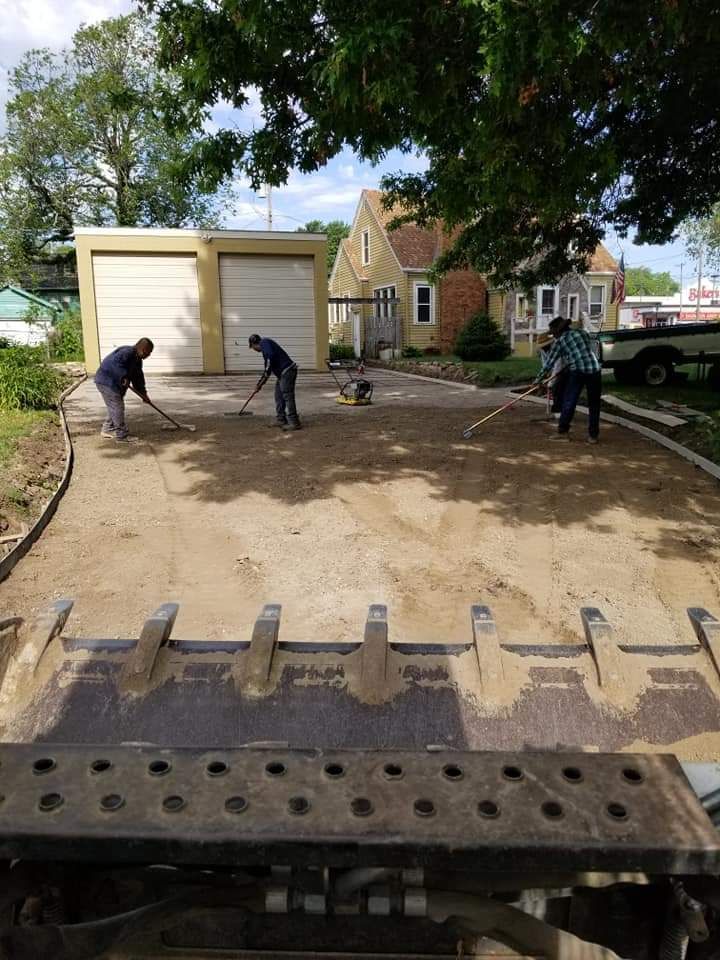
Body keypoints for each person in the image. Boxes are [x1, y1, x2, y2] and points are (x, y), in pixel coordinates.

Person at [535, 317, 601, 444]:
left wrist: (538, 379)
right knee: (594, 404)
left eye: (554, 333)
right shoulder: (582, 333)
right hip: (595, 369)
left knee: (569, 401)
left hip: (578, 372)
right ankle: (593, 436)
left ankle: (563, 432)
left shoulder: (559, 342)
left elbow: (549, 364)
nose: (554, 336)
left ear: (558, 331)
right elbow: (584, 350)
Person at [94, 338, 154, 443]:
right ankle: (122, 436)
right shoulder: (127, 352)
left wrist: (143, 394)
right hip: (107, 381)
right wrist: (123, 377)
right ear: (143, 349)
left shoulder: (137, 360)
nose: (148, 355)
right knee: (117, 407)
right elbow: (115, 364)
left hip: (114, 384)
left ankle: (108, 429)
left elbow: (138, 378)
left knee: (114, 407)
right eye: (148, 352)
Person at [248, 334, 301, 430]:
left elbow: (269, 361)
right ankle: (281, 419)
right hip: (282, 374)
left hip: (287, 371)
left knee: (287, 396)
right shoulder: (266, 348)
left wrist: (260, 383)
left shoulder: (264, 343)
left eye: (252, 348)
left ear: (254, 344)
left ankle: (294, 422)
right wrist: (259, 384)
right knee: (278, 395)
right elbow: (267, 371)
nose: (254, 350)